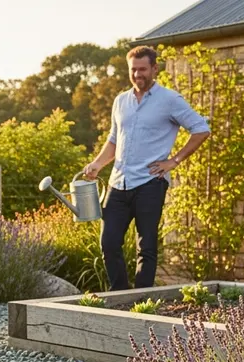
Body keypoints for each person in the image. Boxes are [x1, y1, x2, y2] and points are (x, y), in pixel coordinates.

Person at [83, 45, 211, 290]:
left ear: (154, 69)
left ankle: (141, 299)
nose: (138, 74)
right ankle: (119, 294)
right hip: (118, 184)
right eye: (133, 69)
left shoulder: (170, 100)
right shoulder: (121, 101)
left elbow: (201, 129)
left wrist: (174, 161)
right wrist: (98, 164)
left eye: (143, 69)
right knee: (108, 243)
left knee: (147, 245)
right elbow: (113, 139)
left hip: (150, 183)